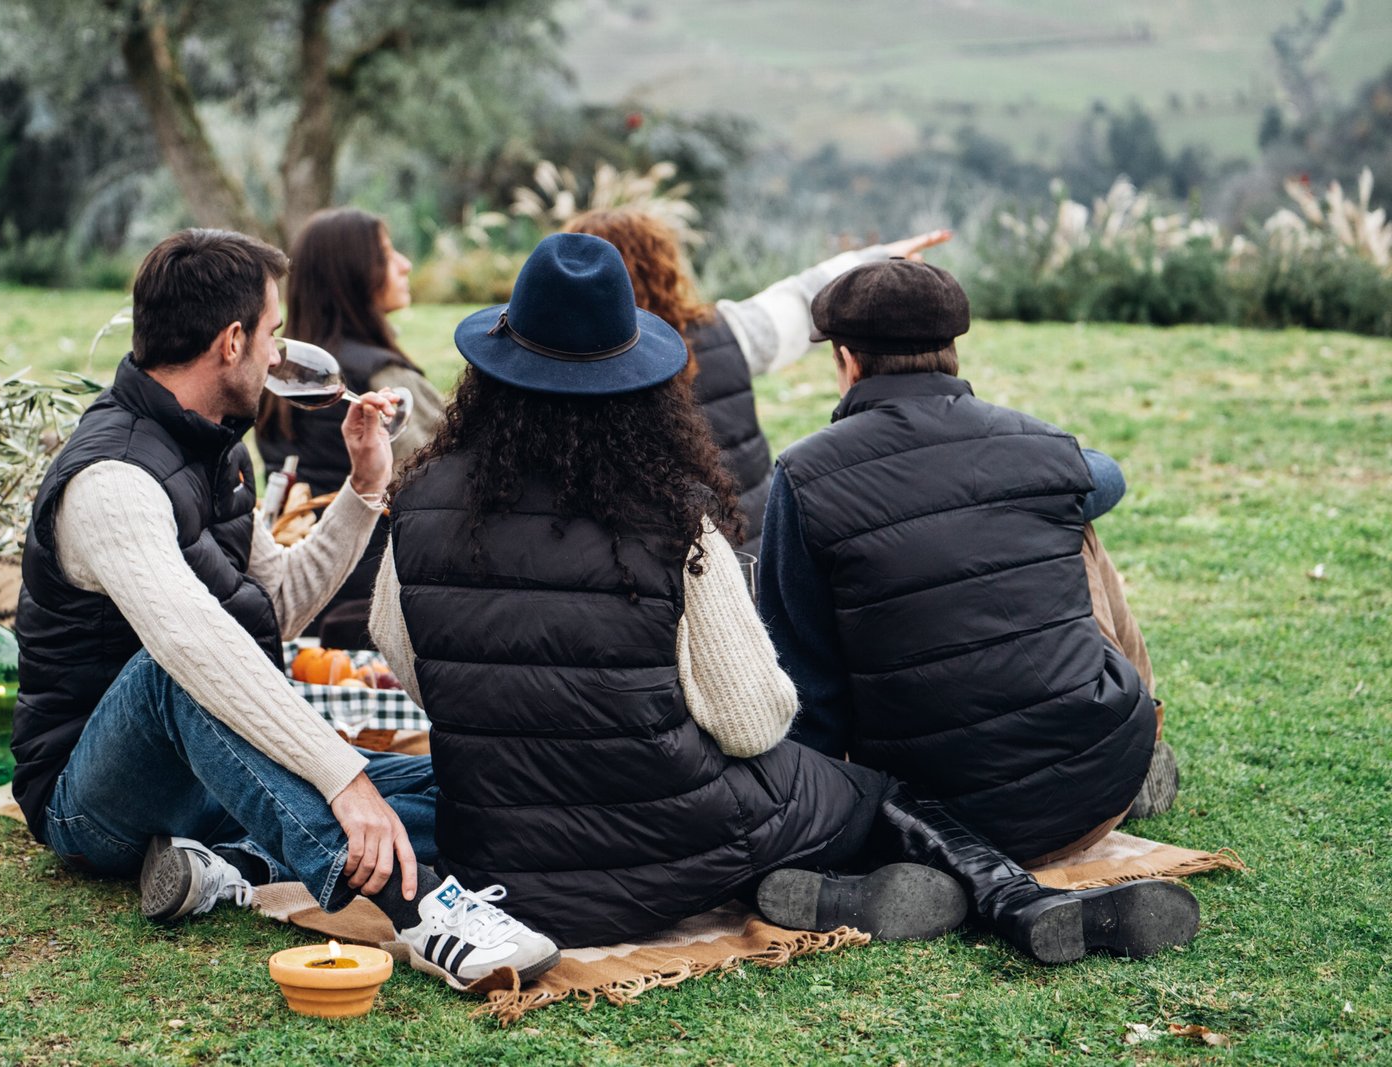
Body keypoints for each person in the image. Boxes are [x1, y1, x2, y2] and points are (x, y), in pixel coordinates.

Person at [368, 233, 1199, 963]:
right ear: (635, 380)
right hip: (678, 851)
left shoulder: (420, 501)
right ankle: (1015, 900)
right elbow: (753, 721)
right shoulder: (673, 515)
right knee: (873, 793)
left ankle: (843, 891)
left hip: (501, 865)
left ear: (493, 370)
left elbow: (406, 656)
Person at [11, 228, 558, 990]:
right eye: (273, 332)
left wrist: (364, 488)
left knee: (466, 789)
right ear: (232, 341)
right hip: (89, 798)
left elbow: (273, 610)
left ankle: (233, 864)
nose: (279, 354)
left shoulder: (216, 449)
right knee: (185, 674)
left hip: (214, 775)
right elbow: (198, 648)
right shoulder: (112, 481)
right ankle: (424, 911)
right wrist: (342, 779)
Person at [759, 256, 1178, 872]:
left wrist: (816, 810)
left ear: (847, 361)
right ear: (952, 350)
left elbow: (807, 687)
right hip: (1095, 791)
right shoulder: (1041, 445)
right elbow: (1106, 478)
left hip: (928, 823)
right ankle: (1152, 740)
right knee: (1077, 526)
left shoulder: (804, 476)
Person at [564, 209, 950, 554]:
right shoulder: (728, 330)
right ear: (666, 266)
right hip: (749, 546)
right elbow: (801, 297)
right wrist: (882, 258)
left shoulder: (566, 368)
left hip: (646, 561)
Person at [254, 208, 446, 647]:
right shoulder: (382, 382)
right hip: (375, 612)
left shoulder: (274, 377)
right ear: (353, 274)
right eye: (387, 254)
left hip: (302, 595)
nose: (405, 264)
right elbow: (447, 487)